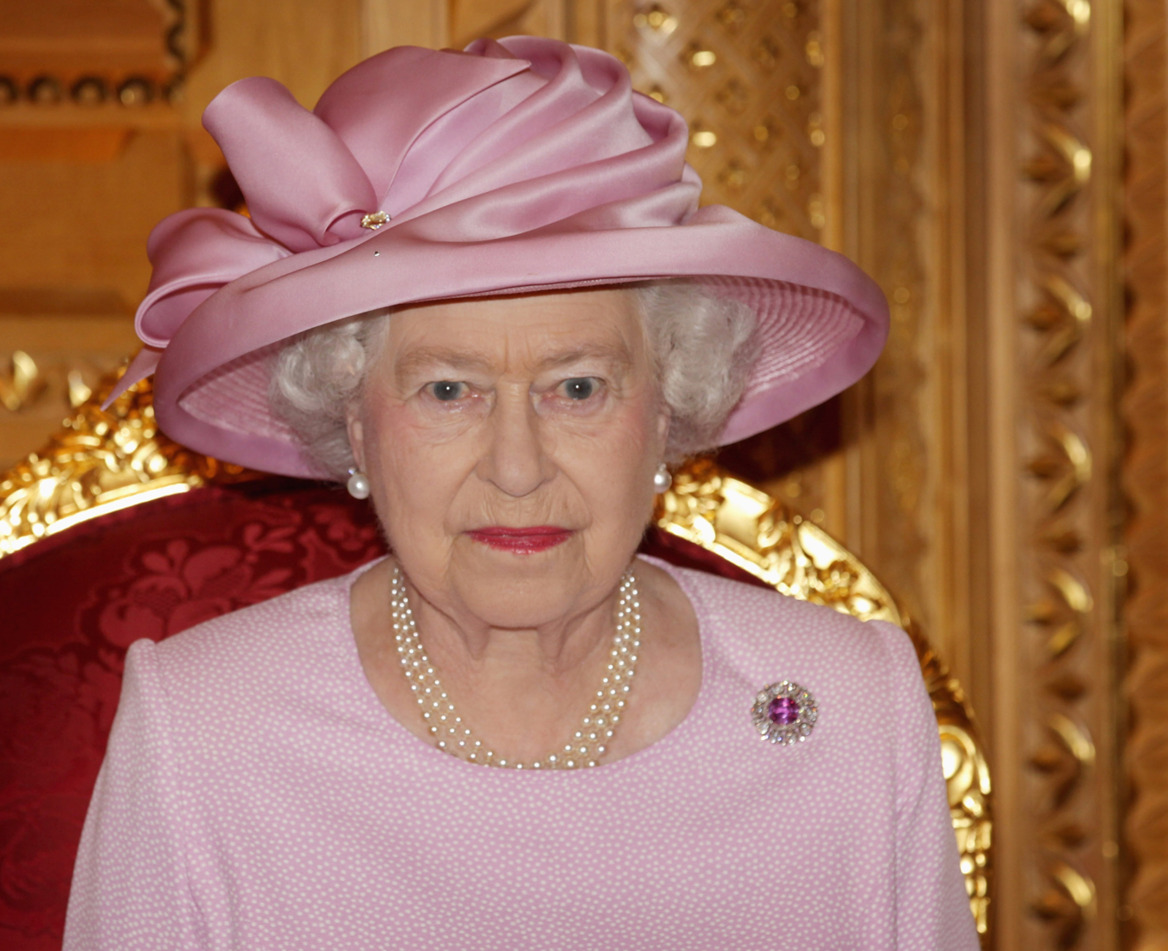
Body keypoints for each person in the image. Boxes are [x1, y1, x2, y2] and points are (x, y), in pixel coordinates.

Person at [64, 36, 979, 949]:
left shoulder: (849, 711)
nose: (516, 467)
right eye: (448, 390)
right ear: (354, 422)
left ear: (666, 409)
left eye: (577, 387)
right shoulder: (206, 731)